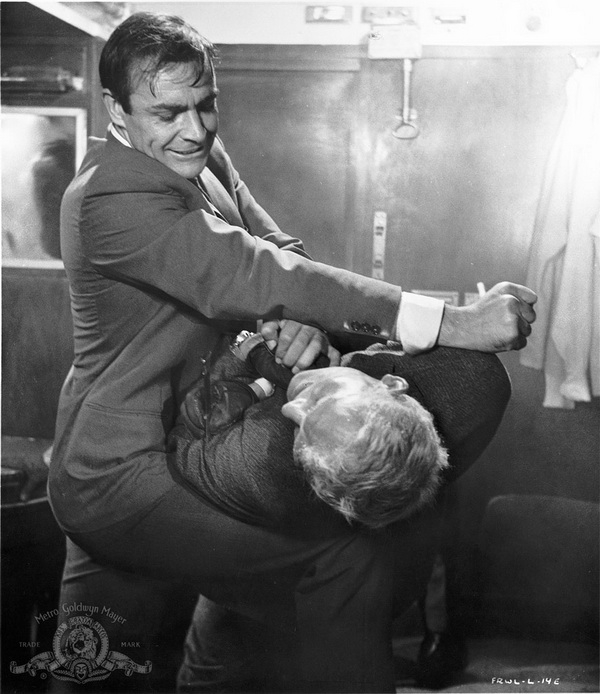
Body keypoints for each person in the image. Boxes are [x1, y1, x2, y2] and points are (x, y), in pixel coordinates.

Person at [47, 11, 536, 693]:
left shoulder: (197, 153)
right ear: (116, 109)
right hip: (123, 471)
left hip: (198, 433)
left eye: (205, 104)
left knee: (96, 668)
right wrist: (451, 321)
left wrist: (291, 326)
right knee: (339, 557)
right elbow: (257, 274)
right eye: (167, 112)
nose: (195, 129)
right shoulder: (108, 195)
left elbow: (275, 251)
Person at [170, 330, 450, 533]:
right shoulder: (392, 362)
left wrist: (246, 349)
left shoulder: (254, 461)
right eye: (320, 399)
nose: (290, 409)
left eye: (299, 434)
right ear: (390, 384)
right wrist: (308, 330)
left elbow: (184, 425)